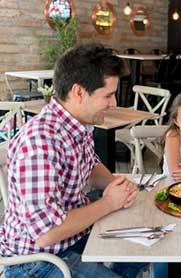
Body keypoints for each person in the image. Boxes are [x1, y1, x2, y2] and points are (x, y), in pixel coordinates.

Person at [0, 43, 147, 277]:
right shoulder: (40, 142)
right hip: (37, 262)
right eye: (108, 95)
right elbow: (47, 233)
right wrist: (109, 203)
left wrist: (114, 186)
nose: (114, 104)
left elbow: (91, 167)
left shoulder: (77, 124)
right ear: (79, 92)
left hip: (72, 239)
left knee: (141, 249)